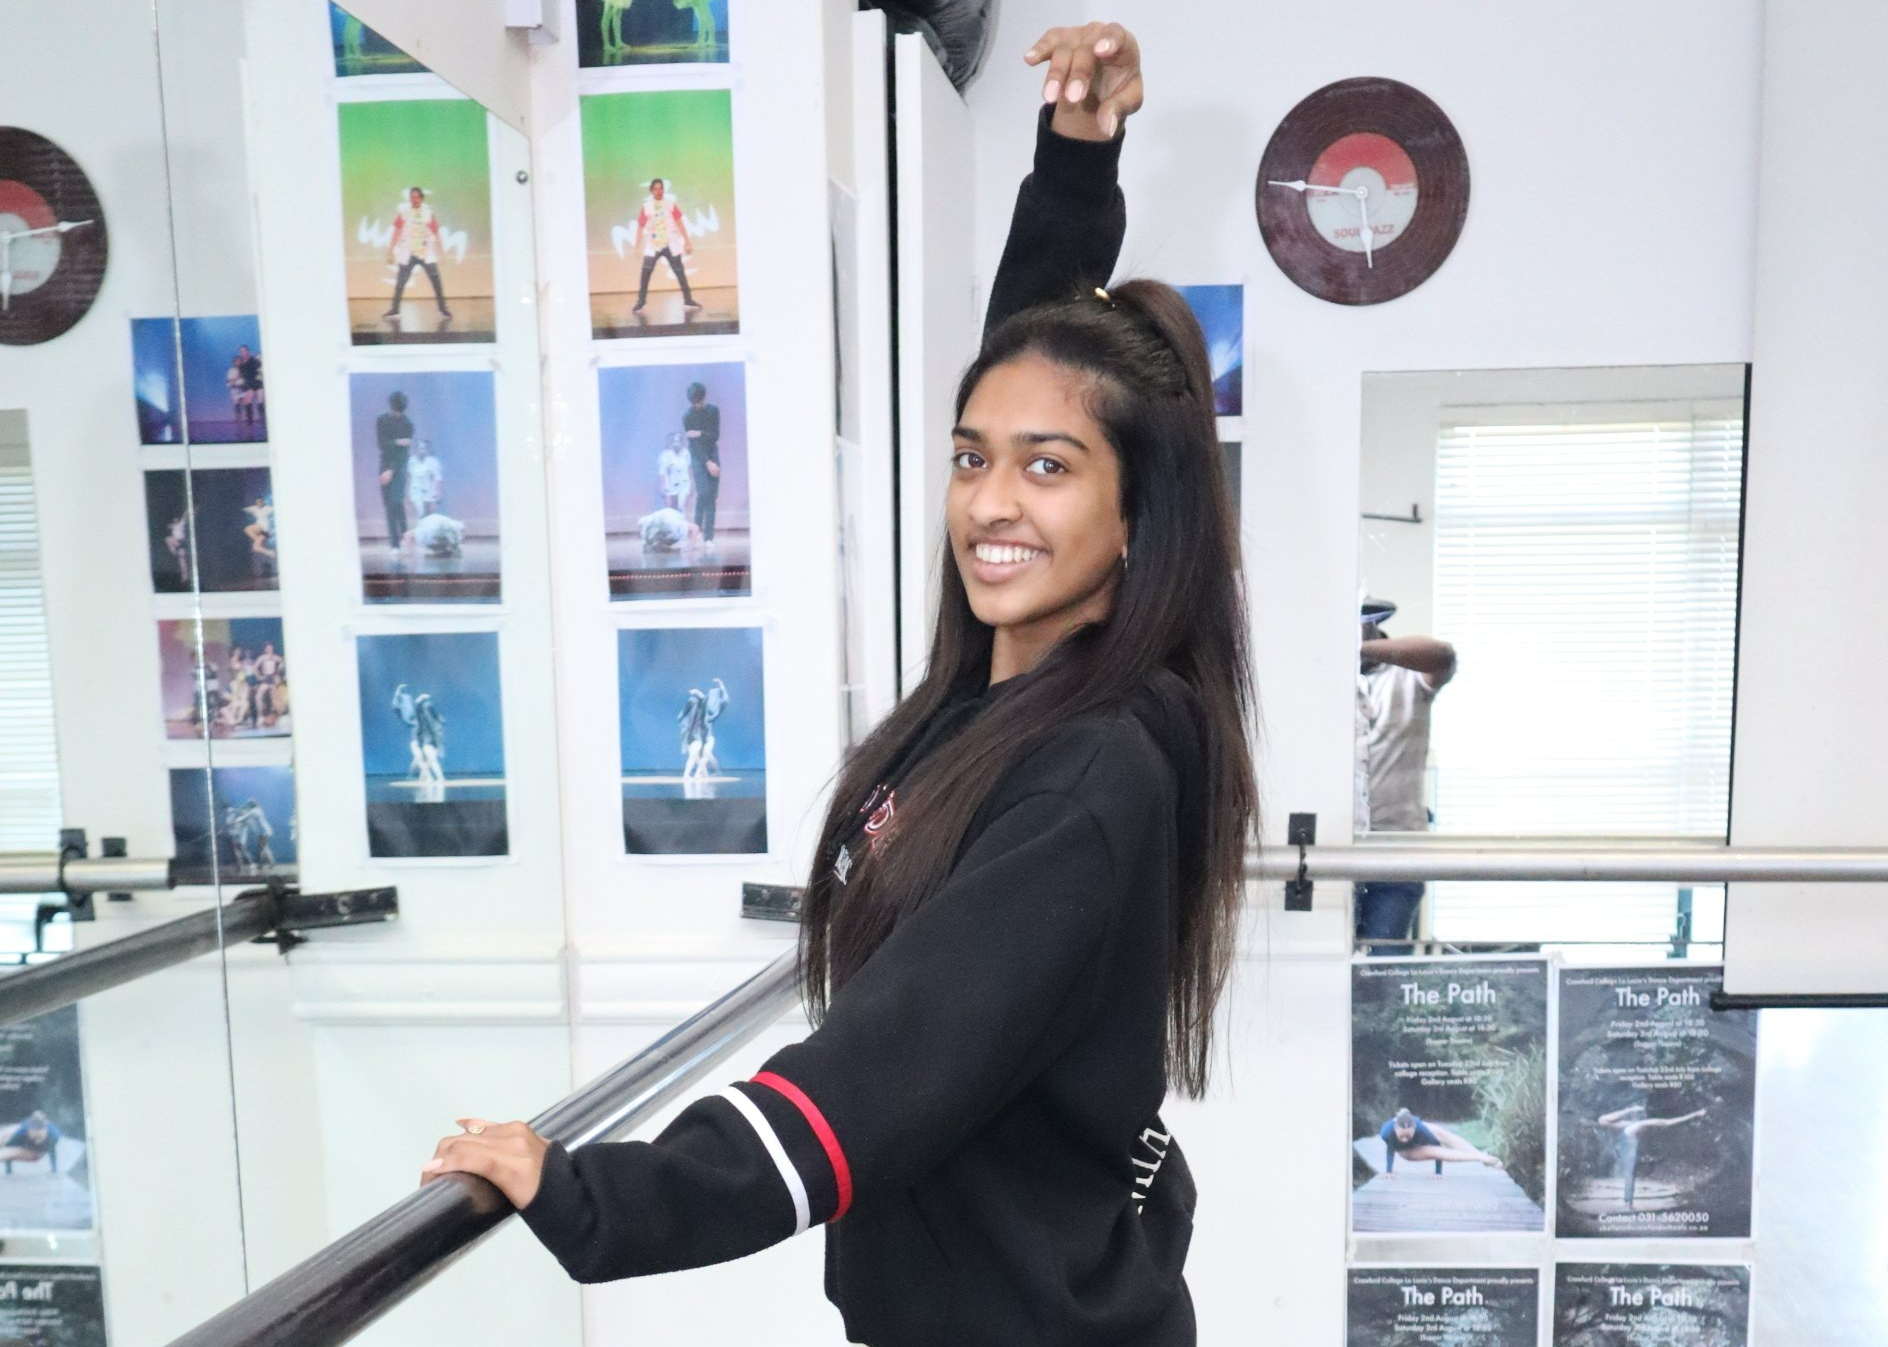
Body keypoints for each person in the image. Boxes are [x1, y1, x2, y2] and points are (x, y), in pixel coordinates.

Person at [425, 25, 1253, 1347]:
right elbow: (1039, 368)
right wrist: (1074, 170)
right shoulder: (1012, 696)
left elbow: (883, 1068)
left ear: (1137, 517)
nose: (989, 501)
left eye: (1047, 469)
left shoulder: (1090, 772)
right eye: (971, 456)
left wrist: (600, 1197)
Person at [1355, 598, 1456, 947]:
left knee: (1380, 977)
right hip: (1333, 850)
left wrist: (1353, 647)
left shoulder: (1408, 676)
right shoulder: (1321, 682)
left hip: (1396, 853)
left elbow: (1442, 655)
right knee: (1324, 968)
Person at [1596, 1103, 1706, 1209]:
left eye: (1638, 1113)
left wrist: (1695, 1114)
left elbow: (1668, 1122)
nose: (1636, 1115)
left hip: (1628, 1145)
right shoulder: (1627, 1124)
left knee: (1629, 1174)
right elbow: (1602, 1119)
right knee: (1629, 1174)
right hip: (1622, 1146)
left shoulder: (1642, 1123)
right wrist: (1629, 1110)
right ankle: (1627, 1202)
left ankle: (1628, 1203)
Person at [631, 178, 701, 318]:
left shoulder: (670, 205)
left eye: (661, 188)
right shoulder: (646, 206)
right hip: (653, 244)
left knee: (680, 272)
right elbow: (640, 226)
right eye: (656, 189)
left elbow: (679, 223)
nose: (659, 191)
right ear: (651, 190)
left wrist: (687, 241)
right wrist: (636, 246)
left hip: (670, 243)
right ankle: (641, 301)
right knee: (645, 273)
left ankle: (688, 299)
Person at [384, 186, 453, 320]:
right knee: (400, 281)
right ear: (410, 198)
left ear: (421, 198)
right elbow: (397, 232)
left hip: (425, 252)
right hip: (408, 252)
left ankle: (443, 309)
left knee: (436, 280)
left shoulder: (428, 213)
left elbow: (435, 232)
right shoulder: (403, 213)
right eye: (412, 197)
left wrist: (441, 251)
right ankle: (394, 309)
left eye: (417, 197)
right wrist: (390, 250)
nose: (414, 200)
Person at [1376, 1107, 1503, 1175]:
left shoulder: (1421, 1127)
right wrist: (1388, 1171)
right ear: (1395, 1128)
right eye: (1401, 1136)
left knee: (1441, 1133)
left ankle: (1482, 1157)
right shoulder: (1386, 1132)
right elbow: (1390, 1151)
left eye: (1407, 1136)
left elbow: (1437, 1145)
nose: (1404, 1139)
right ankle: (1480, 1157)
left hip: (1421, 1136)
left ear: (1414, 1128)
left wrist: (1438, 1172)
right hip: (1406, 1151)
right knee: (1430, 1151)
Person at [683, 381, 721, 553]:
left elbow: (714, 436)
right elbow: (695, 445)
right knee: (703, 492)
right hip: (699, 458)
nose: (697, 405)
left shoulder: (713, 411)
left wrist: (699, 433)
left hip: (713, 453)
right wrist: (707, 463)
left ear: (704, 398)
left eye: (699, 401)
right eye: (694, 402)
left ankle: (709, 537)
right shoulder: (687, 415)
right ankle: (696, 530)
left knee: (711, 496)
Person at [375, 391, 414, 555]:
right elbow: (382, 445)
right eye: (396, 411)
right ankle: (404, 537)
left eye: (401, 412)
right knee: (389, 505)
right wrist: (398, 441)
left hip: (399, 465)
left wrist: (391, 470)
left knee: (395, 501)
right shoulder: (381, 420)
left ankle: (397, 543)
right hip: (385, 464)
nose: (399, 415)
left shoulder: (407, 423)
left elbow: (403, 453)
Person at [405, 438, 444, 526]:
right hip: (415, 490)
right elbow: (408, 478)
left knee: (430, 514)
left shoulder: (433, 462)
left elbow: (438, 478)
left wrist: (438, 492)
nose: (421, 450)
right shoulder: (411, 461)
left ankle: (430, 533)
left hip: (429, 490)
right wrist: (407, 495)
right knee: (421, 512)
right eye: (419, 448)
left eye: (423, 448)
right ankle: (421, 533)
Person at [657, 430, 693, 514]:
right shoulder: (665, 455)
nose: (677, 443)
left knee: (681, 507)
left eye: (679, 441)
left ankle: (681, 525)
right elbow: (662, 472)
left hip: (684, 483)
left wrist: (692, 485)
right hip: (670, 484)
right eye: (675, 441)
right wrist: (662, 486)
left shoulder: (686, 453)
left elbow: (689, 469)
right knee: (670, 509)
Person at [233, 343, 264, 436]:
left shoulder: (253, 360)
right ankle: (250, 424)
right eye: (241, 351)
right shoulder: (242, 364)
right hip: (249, 385)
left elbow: (259, 368)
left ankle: (264, 421)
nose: (243, 353)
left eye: (244, 351)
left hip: (257, 384)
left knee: (260, 403)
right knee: (248, 402)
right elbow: (241, 376)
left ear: (247, 351)